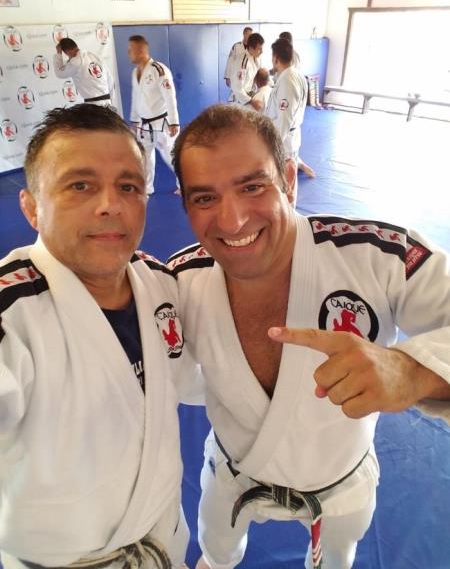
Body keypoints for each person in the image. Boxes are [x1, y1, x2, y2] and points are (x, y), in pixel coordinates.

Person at [167, 104, 450, 569]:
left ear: (288, 179)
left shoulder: (376, 256)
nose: (232, 220)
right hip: (233, 473)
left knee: (337, 558)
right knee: (216, 551)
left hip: (340, 483)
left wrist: (413, 371)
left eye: (252, 186)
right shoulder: (177, 282)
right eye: (204, 198)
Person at [0, 104, 200, 569]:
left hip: (164, 540)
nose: (111, 204)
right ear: (31, 207)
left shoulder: (160, 284)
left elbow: (202, 377)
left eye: (128, 186)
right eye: (80, 185)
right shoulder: (13, 310)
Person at [128, 34, 180, 196]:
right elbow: (136, 98)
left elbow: (170, 97)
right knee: (145, 157)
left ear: (140, 50)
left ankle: (185, 184)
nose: (128, 53)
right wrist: (135, 120)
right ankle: (147, 188)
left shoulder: (159, 70)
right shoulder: (135, 72)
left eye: (131, 49)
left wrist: (174, 122)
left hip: (162, 124)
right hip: (144, 124)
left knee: (171, 156)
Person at [266, 38, 315, 181]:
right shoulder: (295, 74)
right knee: (287, 178)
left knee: (283, 182)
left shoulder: (287, 81)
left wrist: (273, 146)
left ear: (275, 58)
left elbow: (284, 119)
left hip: (284, 142)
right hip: (290, 138)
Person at [53, 38, 114, 106]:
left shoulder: (75, 62)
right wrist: (110, 100)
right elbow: (110, 78)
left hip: (94, 106)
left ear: (67, 51)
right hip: (107, 102)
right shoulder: (94, 55)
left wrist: (58, 53)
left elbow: (59, 73)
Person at [228, 32, 264, 109]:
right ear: (251, 48)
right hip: (239, 102)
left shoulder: (256, 59)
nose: (262, 52)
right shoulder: (243, 62)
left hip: (248, 98)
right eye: (259, 49)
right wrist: (251, 101)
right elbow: (237, 87)